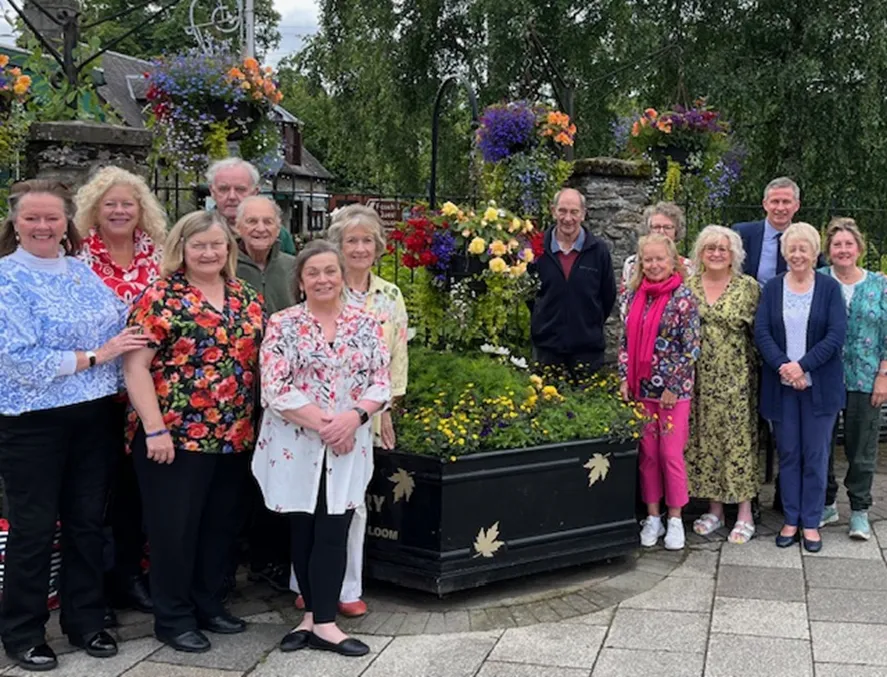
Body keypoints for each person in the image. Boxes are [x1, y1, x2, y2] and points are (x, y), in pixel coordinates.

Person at [0, 180, 150, 671]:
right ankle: (23, 632)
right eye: (31, 218)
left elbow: (123, 327)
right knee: (34, 528)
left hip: (94, 414)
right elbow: (16, 359)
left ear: (67, 223)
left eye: (51, 218)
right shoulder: (6, 279)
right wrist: (94, 357)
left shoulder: (84, 273)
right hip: (32, 421)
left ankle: (85, 621)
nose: (42, 226)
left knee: (88, 522)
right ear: (15, 223)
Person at [123, 211, 264, 653]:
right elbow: (135, 367)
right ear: (181, 249)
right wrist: (154, 429)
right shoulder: (161, 297)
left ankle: (208, 604)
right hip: (174, 437)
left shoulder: (244, 295)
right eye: (198, 245)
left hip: (233, 433)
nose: (208, 252)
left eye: (216, 245)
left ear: (229, 250)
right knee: (173, 530)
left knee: (219, 526)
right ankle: (173, 617)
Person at [252, 240, 390, 658]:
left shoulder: (365, 323)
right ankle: (311, 617)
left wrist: (354, 419)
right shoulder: (283, 323)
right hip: (298, 443)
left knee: (333, 527)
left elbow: (380, 381)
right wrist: (327, 424)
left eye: (330, 271)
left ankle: (327, 622)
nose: (323, 279)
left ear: (341, 276)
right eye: (313, 272)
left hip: (349, 442)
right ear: (301, 280)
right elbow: (275, 385)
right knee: (303, 528)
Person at [290, 204, 408, 617]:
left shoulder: (390, 296)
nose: (360, 248)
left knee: (351, 502)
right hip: (310, 420)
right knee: (307, 498)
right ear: (337, 247)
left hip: (362, 416)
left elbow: (395, 357)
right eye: (351, 241)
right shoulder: (325, 287)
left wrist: (385, 410)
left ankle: (347, 587)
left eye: (367, 241)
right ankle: (305, 582)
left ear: (378, 247)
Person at [75, 165, 167, 615]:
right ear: (94, 208)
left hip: (147, 389)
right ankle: (96, 586)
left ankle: (130, 575)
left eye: (127, 203)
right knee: (94, 492)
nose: (118, 210)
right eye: (109, 203)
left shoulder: (158, 254)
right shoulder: (78, 257)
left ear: (141, 209)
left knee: (135, 491)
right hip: (94, 390)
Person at [755, 222, 846, 553]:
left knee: (816, 455)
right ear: (784, 253)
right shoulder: (773, 288)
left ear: (814, 253)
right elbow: (762, 332)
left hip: (819, 387)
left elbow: (836, 335)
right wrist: (784, 365)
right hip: (781, 387)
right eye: (791, 249)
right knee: (789, 454)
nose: (797, 254)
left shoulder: (828, 289)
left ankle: (811, 522)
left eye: (803, 248)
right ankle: (790, 519)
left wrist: (802, 366)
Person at [619, 233, 701, 550]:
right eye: (648, 260)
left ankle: (676, 518)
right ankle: (653, 516)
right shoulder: (632, 296)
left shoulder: (683, 298)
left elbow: (690, 348)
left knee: (670, 454)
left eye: (659, 259)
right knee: (648, 455)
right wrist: (625, 378)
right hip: (641, 390)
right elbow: (625, 343)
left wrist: (673, 384)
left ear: (672, 261)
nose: (654, 265)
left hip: (672, 393)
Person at [234, 195, 296, 591]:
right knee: (240, 476)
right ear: (237, 226)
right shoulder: (223, 262)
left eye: (267, 222)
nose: (260, 228)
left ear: (279, 227)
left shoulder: (291, 267)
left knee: (277, 472)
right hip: (235, 385)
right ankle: (240, 557)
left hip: (283, 390)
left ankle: (270, 559)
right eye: (251, 221)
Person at [685, 226, 761, 544]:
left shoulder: (748, 287)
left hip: (737, 380)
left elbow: (761, 334)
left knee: (738, 443)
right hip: (699, 380)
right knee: (705, 442)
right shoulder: (688, 287)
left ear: (734, 255)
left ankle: (744, 512)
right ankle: (715, 509)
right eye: (710, 248)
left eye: (723, 249)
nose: (716, 253)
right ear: (700, 253)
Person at [818, 218, 887, 540]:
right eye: (837, 245)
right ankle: (826, 502)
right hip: (824, 378)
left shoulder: (879, 285)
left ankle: (859, 510)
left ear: (859, 248)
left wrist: (883, 375)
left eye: (849, 244)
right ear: (828, 251)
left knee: (862, 446)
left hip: (866, 376)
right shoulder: (818, 281)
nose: (843, 250)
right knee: (822, 445)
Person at [531, 187, 617, 378]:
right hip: (547, 350)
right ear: (553, 211)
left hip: (588, 351)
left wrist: (588, 324)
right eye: (562, 211)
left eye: (574, 212)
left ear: (583, 214)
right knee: (547, 407)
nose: (567, 218)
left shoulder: (598, 251)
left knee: (586, 406)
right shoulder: (537, 248)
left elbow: (608, 295)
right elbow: (530, 294)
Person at [619, 202, 694, 320]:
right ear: (648, 230)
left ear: (676, 232)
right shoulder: (632, 264)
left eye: (668, 227)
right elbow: (624, 303)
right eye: (656, 227)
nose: (661, 232)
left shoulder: (687, 267)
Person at [206, 158, 296, 254]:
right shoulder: (198, 230)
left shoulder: (276, 234)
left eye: (240, 189)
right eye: (224, 189)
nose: (232, 196)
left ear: (254, 192)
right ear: (212, 192)